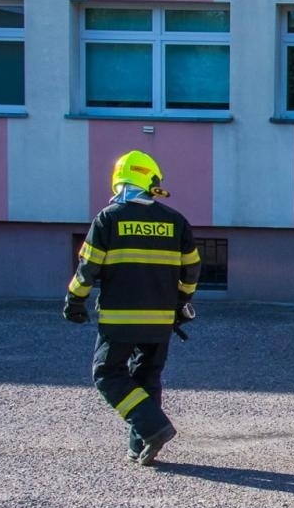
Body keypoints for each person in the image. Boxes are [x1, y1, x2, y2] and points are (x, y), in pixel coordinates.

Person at [64, 150, 200, 466]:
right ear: (152, 182)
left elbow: (88, 268)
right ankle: (140, 445)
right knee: (147, 377)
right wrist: (182, 302)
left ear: (120, 182)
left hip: (120, 319)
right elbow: (191, 268)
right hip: (161, 321)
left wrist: (75, 300)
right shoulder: (175, 221)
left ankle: (153, 428)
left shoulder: (108, 219)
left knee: (107, 373)